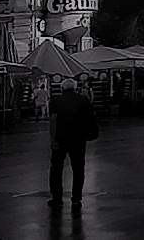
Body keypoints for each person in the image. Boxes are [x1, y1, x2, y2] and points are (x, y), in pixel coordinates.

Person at [48, 78, 98, 208]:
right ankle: (76, 198)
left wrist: (53, 140)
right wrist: (92, 133)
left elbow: (53, 120)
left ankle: (57, 197)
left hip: (60, 139)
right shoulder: (83, 100)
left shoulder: (55, 101)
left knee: (56, 169)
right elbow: (91, 118)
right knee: (78, 168)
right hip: (78, 139)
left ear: (62, 88)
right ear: (75, 88)